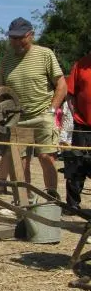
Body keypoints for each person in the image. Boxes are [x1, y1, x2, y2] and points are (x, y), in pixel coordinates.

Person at [0, 17, 67, 200]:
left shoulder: (45, 54)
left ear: (31, 35)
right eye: (13, 38)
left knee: (46, 158)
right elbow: (0, 88)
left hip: (43, 114)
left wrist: (51, 110)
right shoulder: (7, 59)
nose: (17, 42)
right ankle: (23, 200)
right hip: (17, 118)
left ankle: (51, 199)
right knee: (19, 162)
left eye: (21, 37)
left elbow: (61, 85)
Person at [63, 52, 91, 211]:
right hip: (83, 126)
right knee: (76, 164)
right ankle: (72, 205)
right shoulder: (81, 64)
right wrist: (76, 117)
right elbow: (71, 95)